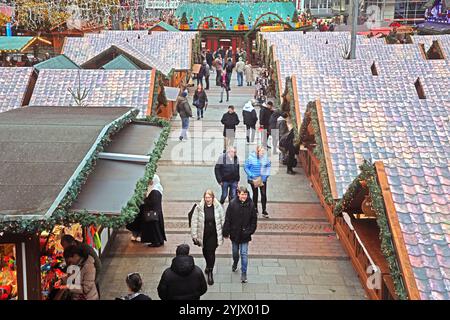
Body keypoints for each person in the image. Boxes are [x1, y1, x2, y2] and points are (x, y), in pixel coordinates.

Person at [222, 186, 257, 283]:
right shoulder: (232, 204)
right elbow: (228, 218)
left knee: (244, 254)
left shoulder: (250, 204)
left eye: (245, 194)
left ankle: (244, 273)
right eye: (242, 194)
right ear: (238, 194)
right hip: (234, 234)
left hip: (245, 235)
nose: (244, 196)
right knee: (235, 252)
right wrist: (226, 231)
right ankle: (235, 262)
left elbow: (254, 220)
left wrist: (250, 231)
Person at [190, 190, 225, 285]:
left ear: (213, 198)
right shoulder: (199, 208)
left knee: (211, 252)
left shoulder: (218, 207)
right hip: (204, 234)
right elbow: (194, 221)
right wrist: (194, 235)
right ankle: (208, 264)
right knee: (205, 251)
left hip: (214, 234)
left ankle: (210, 271)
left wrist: (225, 232)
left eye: (209, 197)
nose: (207, 199)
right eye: (206, 197)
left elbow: (222, 219)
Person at [127, 175, 166, 247]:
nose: (149, 182)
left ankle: (156, 242)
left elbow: (152, 202)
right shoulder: (157, 188)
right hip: (155, 213)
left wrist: (145, 199)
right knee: (157, 229)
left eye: (151, 181)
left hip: (153, 213)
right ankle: (159, 241)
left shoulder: (154, 191)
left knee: (155, 229)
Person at [244, 146, 271, 218]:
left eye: (264, 152)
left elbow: (268, 166)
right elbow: (246, 167)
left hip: (262, 179)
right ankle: (255, 209)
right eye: (261, 152)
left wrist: (266, 175)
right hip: (254, 179)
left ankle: (264, 210)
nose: (263, 153)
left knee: (263, 194)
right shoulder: (251, 158)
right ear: (257, 152)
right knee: (255, 194)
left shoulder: (266, 158)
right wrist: (251, 175)